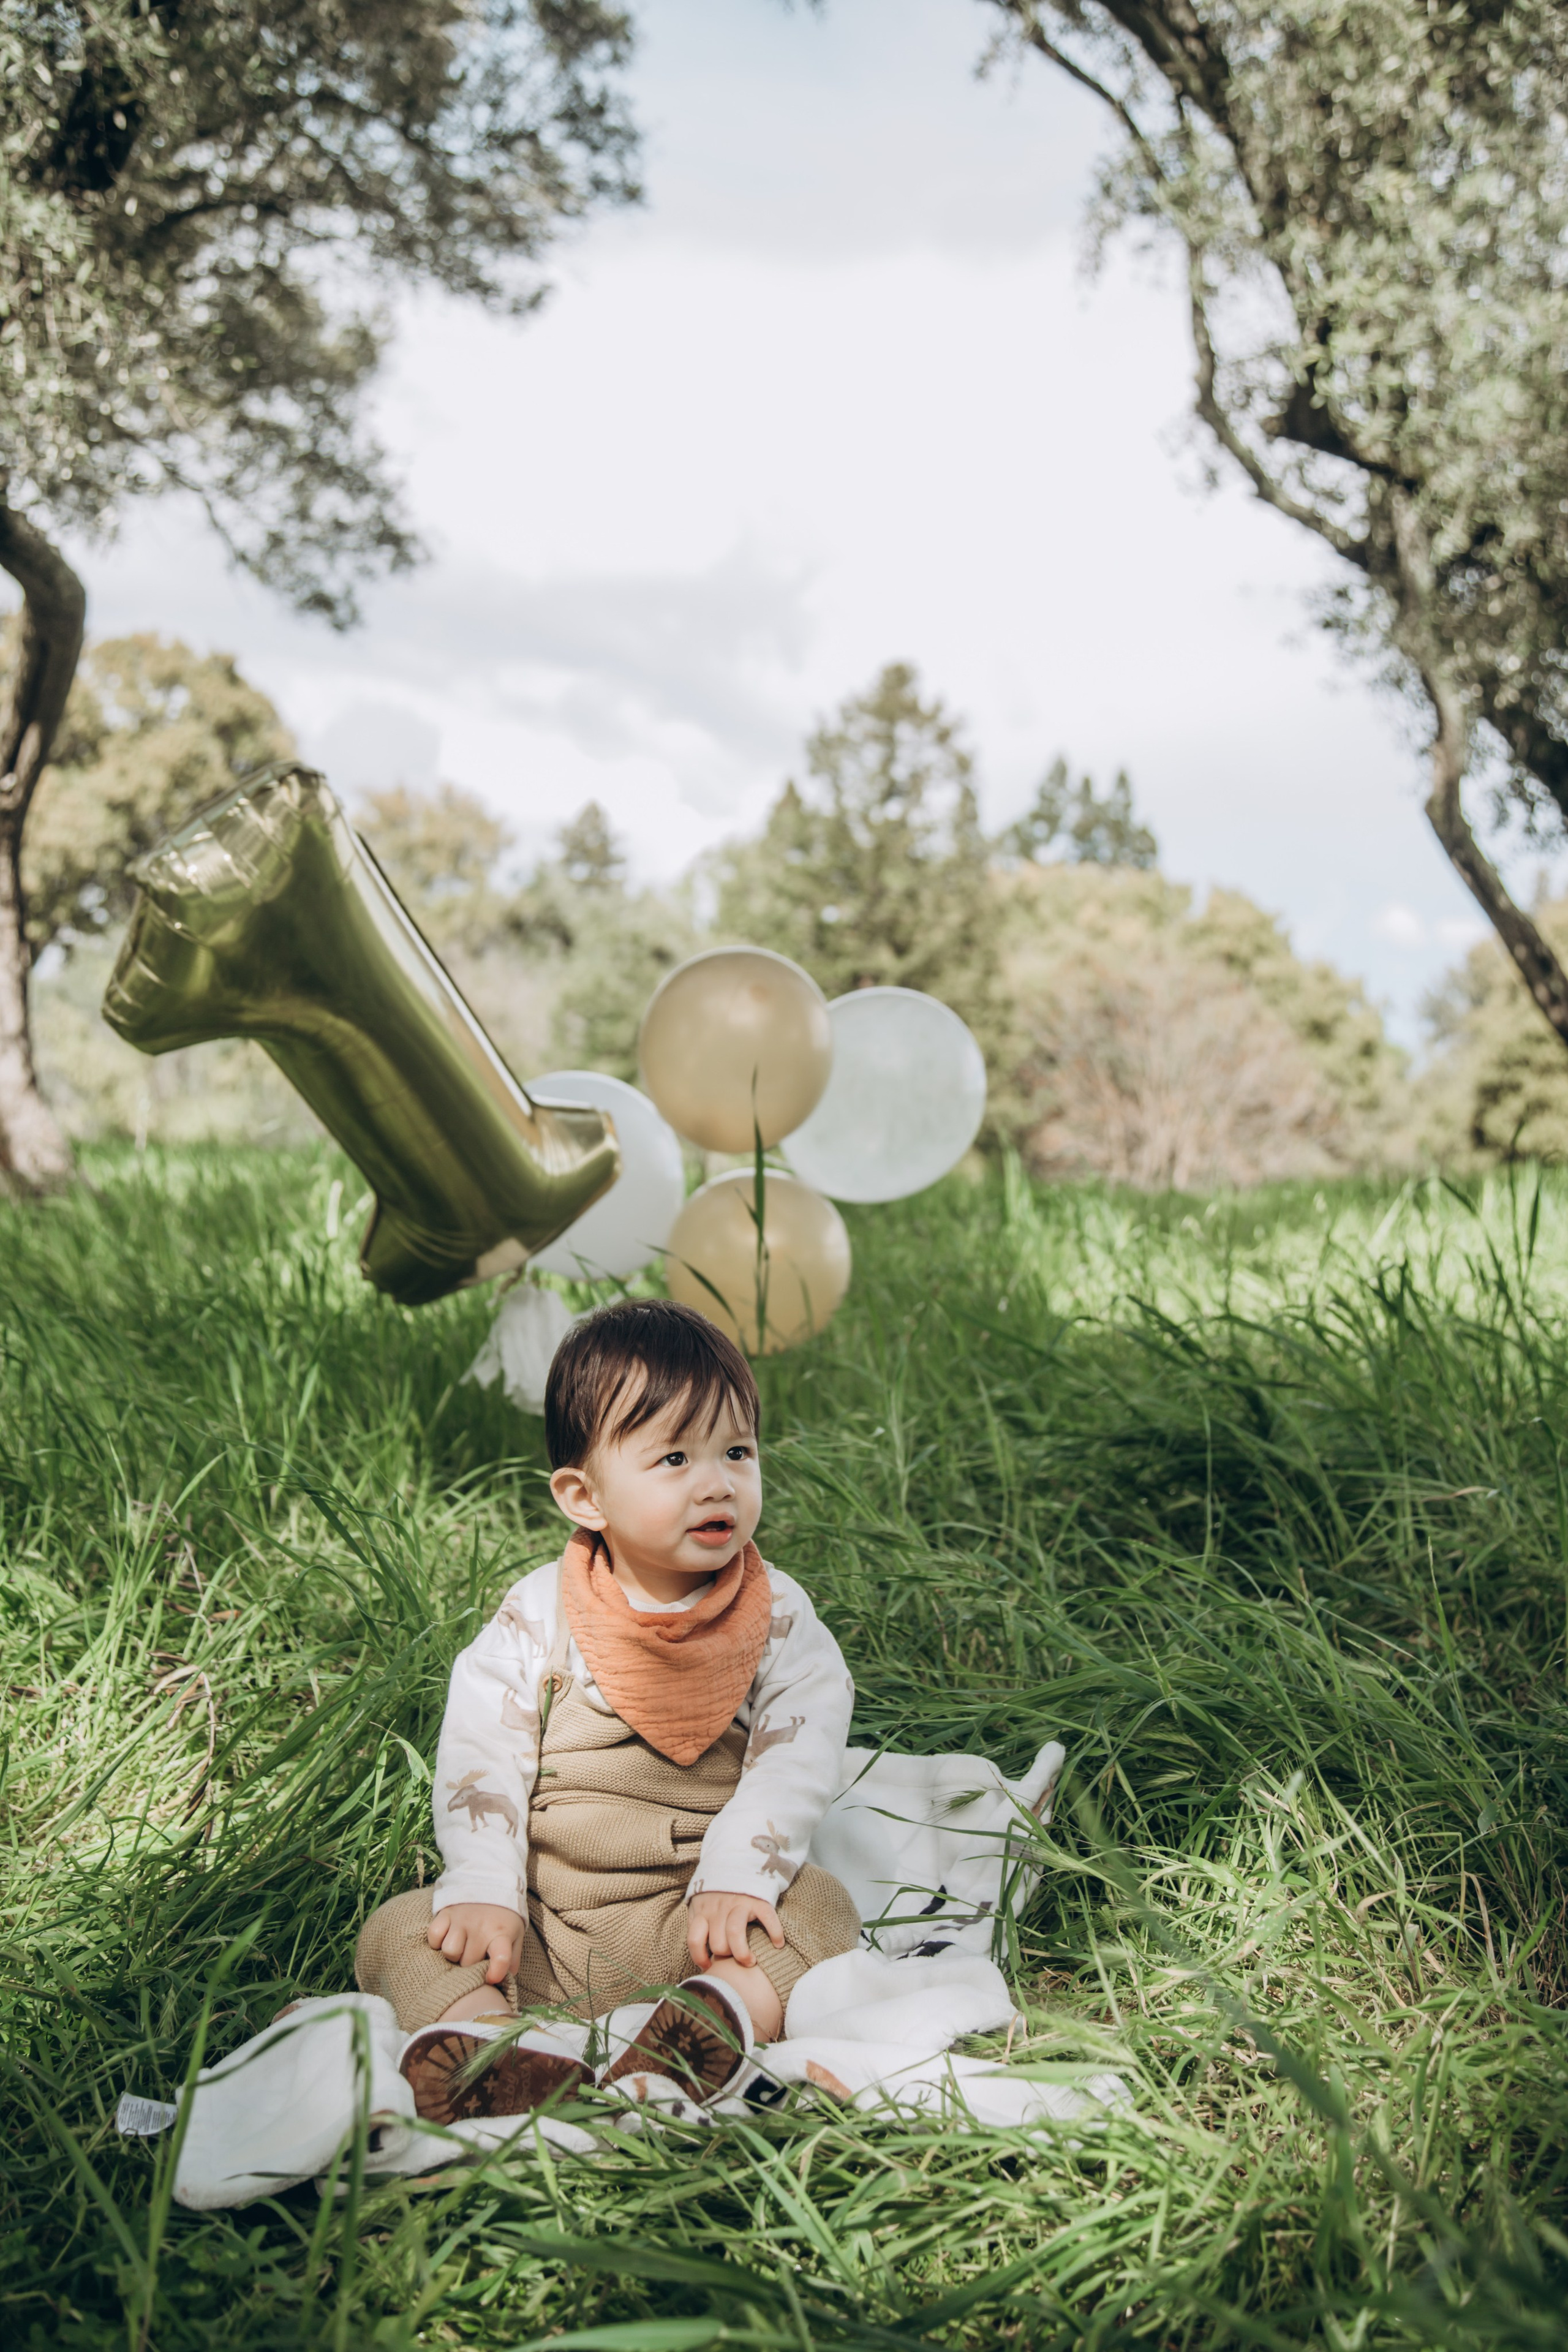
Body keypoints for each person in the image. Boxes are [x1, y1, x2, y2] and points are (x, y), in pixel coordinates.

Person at [355, 1297, 861, 2123]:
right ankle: (494, 2052)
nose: (718, 1482)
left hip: (699, 1921)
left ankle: (702, 2032)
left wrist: (740, 1880)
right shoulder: (540, 1612)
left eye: (737, 1451)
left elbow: (795, 1759)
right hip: (543, 1929)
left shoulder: (776, 1615)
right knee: (404, 1927)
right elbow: (484, 1751)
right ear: (584, 1496)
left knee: (819, 1905)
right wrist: (484, 1887)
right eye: (675, 1458)